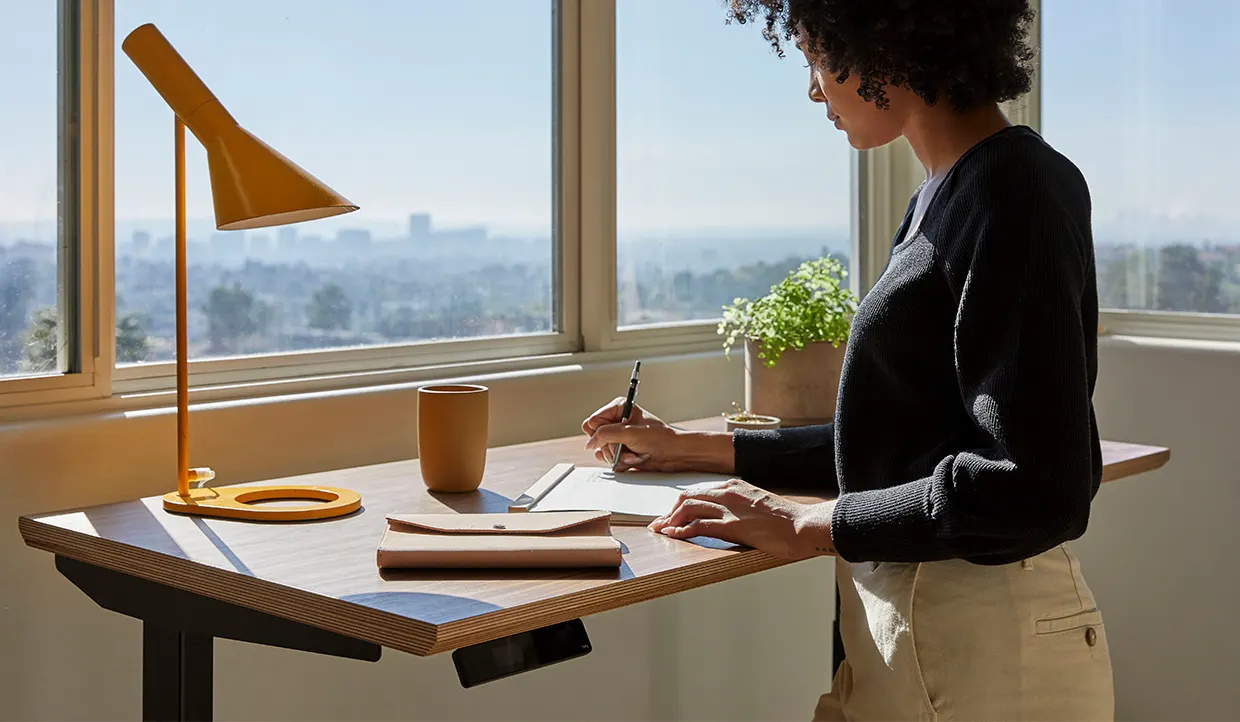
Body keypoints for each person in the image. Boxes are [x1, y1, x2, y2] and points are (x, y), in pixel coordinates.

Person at [581, 1, 1113, 719]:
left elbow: (1038, 487)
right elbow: (895, 445)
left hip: (987, 646)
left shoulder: (1013, 188)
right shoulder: (944, 195)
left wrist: (809, 525)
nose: (813, 90)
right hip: (919, 631)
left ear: (886, 40)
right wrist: (690, 448)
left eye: (818, 60)